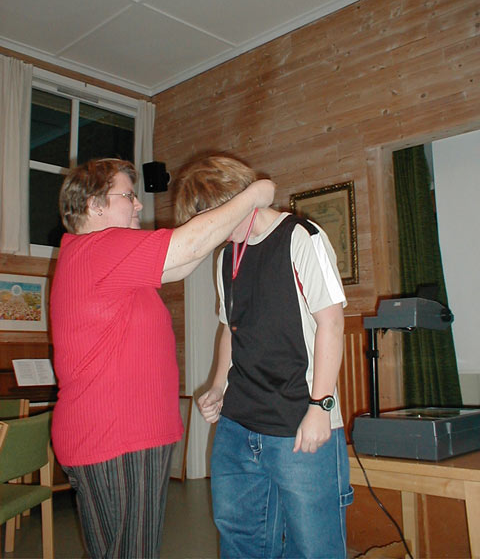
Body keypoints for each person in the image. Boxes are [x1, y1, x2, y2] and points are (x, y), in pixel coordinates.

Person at [49, 157, 274, 559]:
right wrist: (254, 194)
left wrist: (226, 225)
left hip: (119, 435)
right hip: (116, 437)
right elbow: (187, 245)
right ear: (94, 205)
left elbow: (183, 262)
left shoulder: (100, 258)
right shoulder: (98, 249)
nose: (138, 204)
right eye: (128, 196)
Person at [175, 155, 353, 559]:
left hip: (299, 423)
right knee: (241, 544)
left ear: (234, 199)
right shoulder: (227, 257)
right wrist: (218, 386)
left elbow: (332, 323)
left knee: (314, 549)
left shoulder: (302, 237)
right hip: (237, 426)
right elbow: (230, 328)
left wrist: (320, 406)